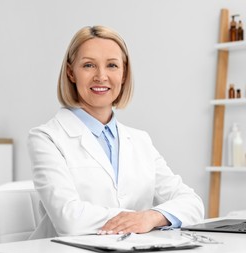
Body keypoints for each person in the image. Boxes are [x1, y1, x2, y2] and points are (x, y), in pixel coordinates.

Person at [27, 25, 204, 238]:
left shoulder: (140, 140)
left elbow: (193, 204)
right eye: (89, 65)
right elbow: (69, 219)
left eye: (112, 65)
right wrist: (139, 218)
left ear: (123, 74)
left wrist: (149, 218)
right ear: (70, 72)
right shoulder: (47, 138)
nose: (101, 76)